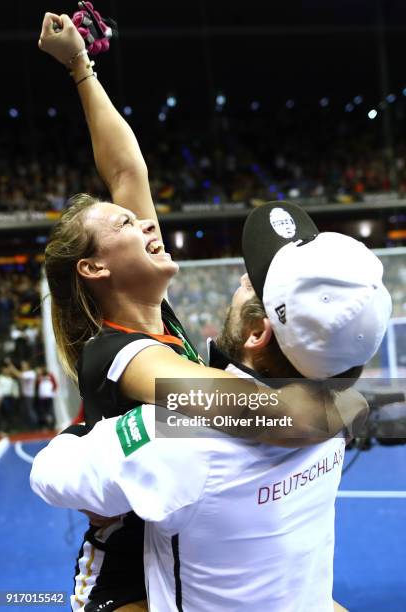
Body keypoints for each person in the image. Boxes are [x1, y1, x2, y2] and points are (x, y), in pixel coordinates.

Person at [36, 11, 368, 612]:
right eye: (124, 224)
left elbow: (125, 170)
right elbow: (243, 406)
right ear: (95, 269)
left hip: (191, 544)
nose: (143, 223)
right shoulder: (116, 353)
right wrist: (337, 401)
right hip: (130, 578)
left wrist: (80, 67)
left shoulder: (156, 317)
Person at [31, 201, 392, 611]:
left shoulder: (171, 436)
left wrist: (78, 436)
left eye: (253, 284)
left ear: (258, 332)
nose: (241, 276)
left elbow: (49, 475)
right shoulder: (335, 411)